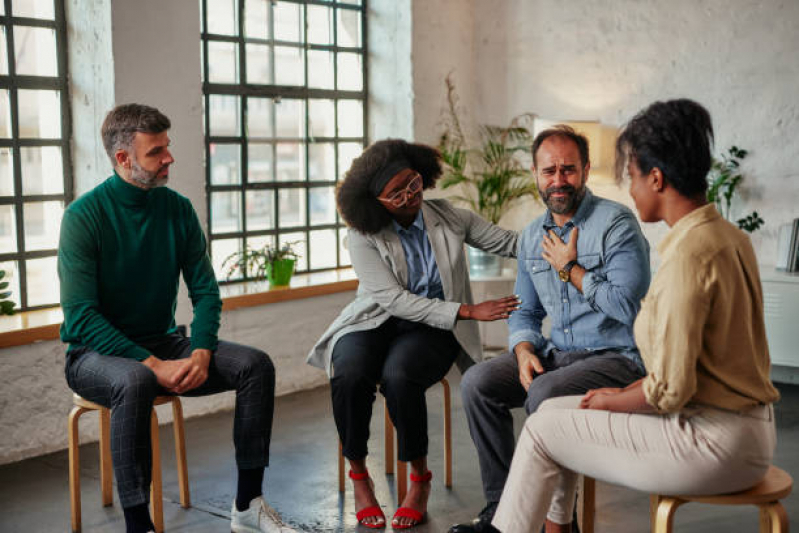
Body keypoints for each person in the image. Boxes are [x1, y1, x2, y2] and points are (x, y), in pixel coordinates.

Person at [485, 98, 781, 533]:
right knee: (547, 414)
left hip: (712, 443)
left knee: (544, 428)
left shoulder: (688, 256)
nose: (631, 188)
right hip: (747, 432)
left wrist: (613, 399)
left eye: (632, 176)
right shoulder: (727, 236)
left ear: (656, 178)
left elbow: (669, 389)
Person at [59, 104, 293, 533]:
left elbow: (205, 290)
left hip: (165, 342)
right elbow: (81, 316)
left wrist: (201, 350)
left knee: (255, 366)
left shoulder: (178, 210)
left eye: (167, 147)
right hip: (93, 355)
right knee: (135, 380)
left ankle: (248, 506)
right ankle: (138, 525)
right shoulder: (83, 217)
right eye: (156, 152)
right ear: (123, 159)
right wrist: (151, 363)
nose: (169, 158)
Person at [307, 139, 520, 529]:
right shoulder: (363, 234)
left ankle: (419, 479)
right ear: (376, 202)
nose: (410, 196)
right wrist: (469, 311)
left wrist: (561, 242)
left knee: (400, 377)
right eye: (396, 194)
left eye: (414, 183)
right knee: (350, 372)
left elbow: (509, 243)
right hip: (374, 319)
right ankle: (359, 477)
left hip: (432, 327)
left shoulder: (451, 217)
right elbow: (393, 300)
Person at [450, 125, 651, 533]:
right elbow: (525, 312)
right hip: (557, 354)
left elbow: (626, 306)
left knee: (544, 391)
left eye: (568, 169)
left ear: (586, 170)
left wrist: (571, 270)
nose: (558, 180)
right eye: (549, 171)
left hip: (616, 359)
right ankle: (503, 510)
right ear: (535, 175)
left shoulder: (617, 224)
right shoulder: (530, 237)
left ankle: (557, 521)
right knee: (477, 382)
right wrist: (523, 350)